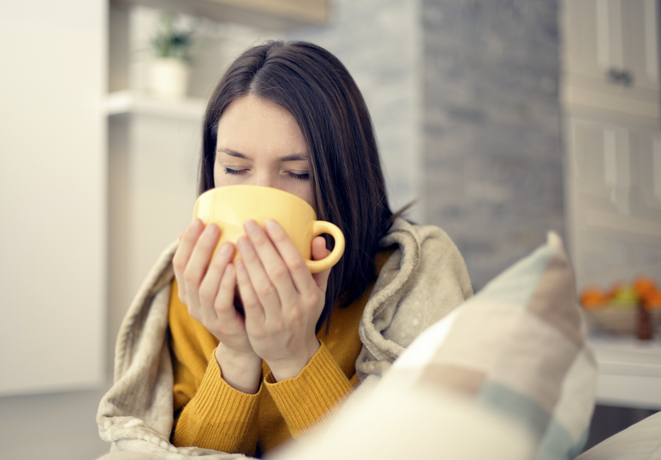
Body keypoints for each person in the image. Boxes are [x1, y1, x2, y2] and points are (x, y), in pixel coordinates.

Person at [97, 40, 473, 460]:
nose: (261, 198)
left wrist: (294, 355)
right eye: (235, 168)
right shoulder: (191, 285)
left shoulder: (416, 271)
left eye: (297, 172)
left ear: (343, 175)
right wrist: (237, 354)